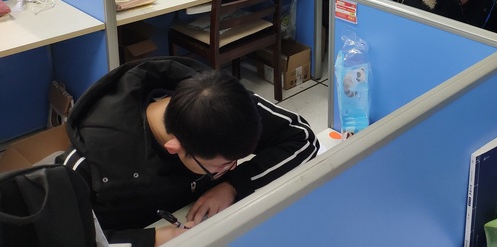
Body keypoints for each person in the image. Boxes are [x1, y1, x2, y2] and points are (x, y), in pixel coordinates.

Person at [57, 57, 319, 247]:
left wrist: (233, 185)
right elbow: (65, 238)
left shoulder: (223, 104)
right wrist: (152, 238)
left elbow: (303, 138)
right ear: (176, 148)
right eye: (219, 167)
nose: (229, 168)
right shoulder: (88, 165)